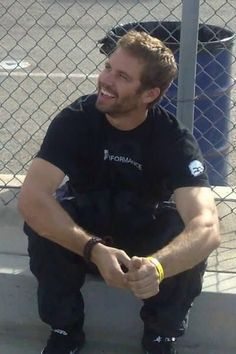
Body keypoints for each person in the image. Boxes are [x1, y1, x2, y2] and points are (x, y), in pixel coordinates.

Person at [18, 30, 220, 354]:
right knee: (44, 219)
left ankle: (160, 337)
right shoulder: (77, 119)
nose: (105, 80)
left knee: (184, 233)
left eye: (122, 76)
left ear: (149, 94)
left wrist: (158, 266)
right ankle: (65, 332)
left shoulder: (173, 139)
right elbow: (31, 199)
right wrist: (93, 249)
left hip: (142, 249)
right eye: (109, 67)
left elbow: (207, 227)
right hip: (85, 237)